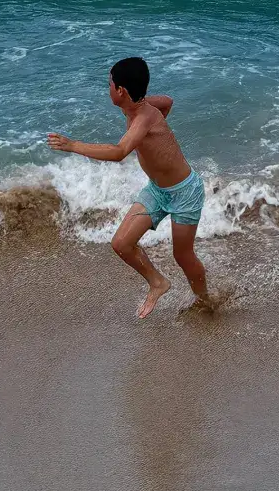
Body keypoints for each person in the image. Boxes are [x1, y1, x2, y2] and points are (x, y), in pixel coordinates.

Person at [48, 57, 210, 319]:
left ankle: (205, 300)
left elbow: (120, 151)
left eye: (109, 84)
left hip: (185, 192)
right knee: (121, 243)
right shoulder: (135, 108)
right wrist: (156, 124)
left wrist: (73, 145)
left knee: (182, 254)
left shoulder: (142, 117)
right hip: (157, 191)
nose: (108, 88)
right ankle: (158, 282)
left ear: (121, 91)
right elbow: (167, 101)